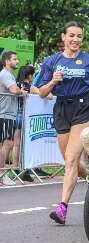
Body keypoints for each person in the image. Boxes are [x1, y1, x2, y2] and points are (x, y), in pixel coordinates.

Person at [37, 21, 89, 225]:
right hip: (61, 109)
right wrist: (53, 81)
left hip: (84, 108)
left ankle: (62, 209)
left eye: (79, 36)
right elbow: (42, 92)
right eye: (72, 36)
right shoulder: (51, 61)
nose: (75, 40)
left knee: (70, 159)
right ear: (63, 37)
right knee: (73, 163)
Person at [0, 51, 28, 185]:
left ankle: (2, 174)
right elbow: (14, 90)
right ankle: (2, 174)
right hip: (4, 114)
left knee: (7, 144)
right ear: (7, 61)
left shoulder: (8, 74)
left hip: (7, 114)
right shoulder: (5, 74)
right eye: (14, 59)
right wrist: (23, 91)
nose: (17, 61)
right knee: (7, 144)